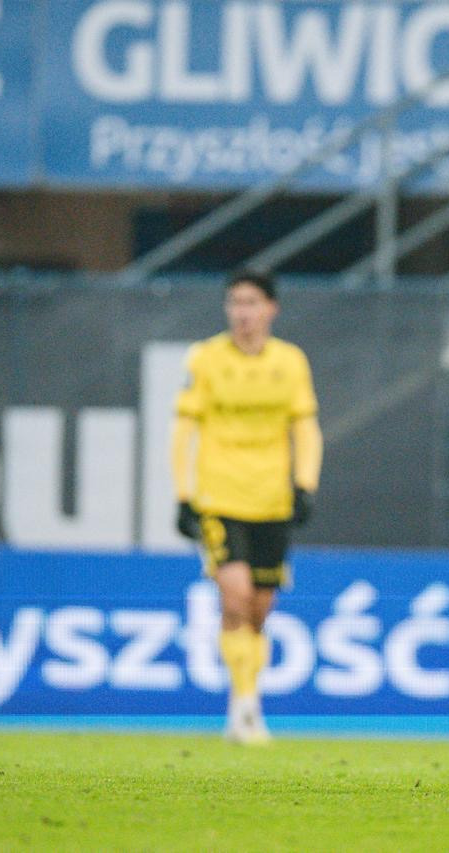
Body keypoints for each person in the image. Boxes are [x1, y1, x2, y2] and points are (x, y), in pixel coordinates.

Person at [170, 270, 322, 744]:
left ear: (271, 308)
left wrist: (305, 485)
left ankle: (243, 702)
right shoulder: (206, 358)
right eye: (235, 302)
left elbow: (305, 428)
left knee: (258, 610)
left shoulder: (290, 361)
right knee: (234, 597)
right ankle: (246, 708)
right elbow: (183, 430)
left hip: (271, 501)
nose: (242, 312)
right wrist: (183, 495)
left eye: (251, 302)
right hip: (219, 498)